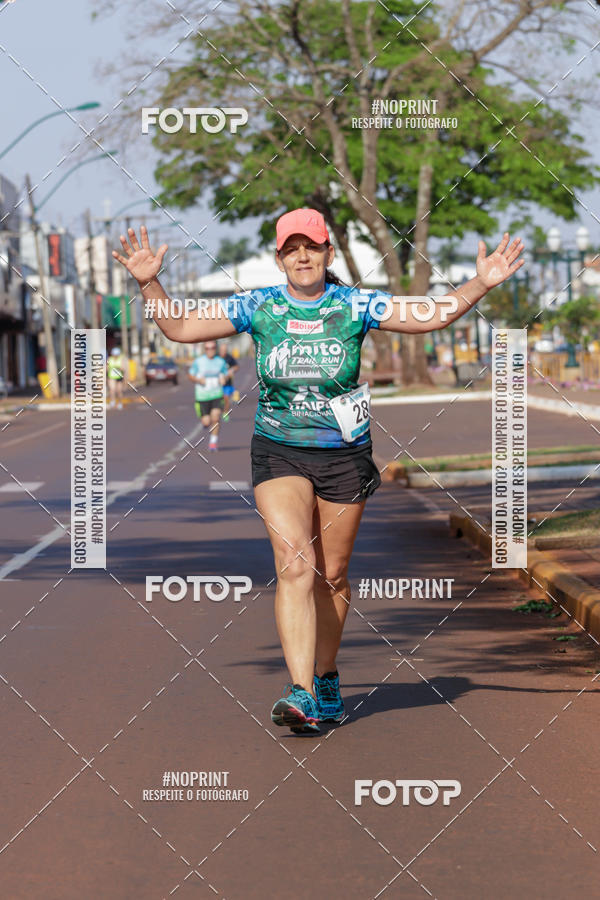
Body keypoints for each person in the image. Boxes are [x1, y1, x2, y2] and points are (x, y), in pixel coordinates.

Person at [113, 211, 524, 734]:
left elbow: (432, 314)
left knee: (333, 575)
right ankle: (301, 691)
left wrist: (481, 283)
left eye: (312, 246)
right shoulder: (259, 306)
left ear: (329, 253)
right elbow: (179, 327)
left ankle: (325, 675)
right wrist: (149, 283)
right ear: (279, 258)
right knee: (294, 563)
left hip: (344, 455)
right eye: (292, 248)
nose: (302, 256)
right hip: (279, 451)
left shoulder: (355, 305)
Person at [188, 341, 228, 451]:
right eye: (207, 348)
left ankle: (213, 442)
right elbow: (190, 375)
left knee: (216, 418)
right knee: (206, 422)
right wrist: (198, 380)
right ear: (204, 349)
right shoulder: (198, 362)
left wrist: (224, 378)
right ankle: (204, 420)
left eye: (212, 348)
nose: (210, 350)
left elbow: (225, 374)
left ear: (216, 348)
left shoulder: (220, 362)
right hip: (202, 396)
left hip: (217, 395)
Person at [218, 339, 239, 420]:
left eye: (224, 350)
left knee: (226, 399)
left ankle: (225, 412)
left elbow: (236, 366)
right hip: (217, 384)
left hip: (227, 383)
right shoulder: (216, 358)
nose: (223, 352)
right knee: (219, 400)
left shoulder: (229, 358)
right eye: (222, 350)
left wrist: (232, 370)